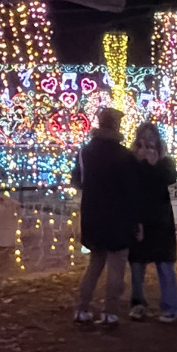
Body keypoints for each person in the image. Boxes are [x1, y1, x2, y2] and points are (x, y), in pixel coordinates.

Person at [73, 108, 140, 327]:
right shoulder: (125, 156)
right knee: (117, 266)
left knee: (94, 263)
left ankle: (82, 308)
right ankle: (110, 312)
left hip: (93, 216)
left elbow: (78, 180)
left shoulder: (85, 152)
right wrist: (136, 221)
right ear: (116, 126)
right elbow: (132, 191)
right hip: (119, 218)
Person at [128, 122, 177, 323]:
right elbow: (130, 185)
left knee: (165, 263)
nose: (147, 145)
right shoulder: (131, 162)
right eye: (143, 141)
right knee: (137, 264)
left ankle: (170, 306)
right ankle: (138, 303)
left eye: (152, 141)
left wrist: (154, 163)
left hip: (160, 219)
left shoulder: (165, 161)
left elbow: (169, 177)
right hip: (139, 216)